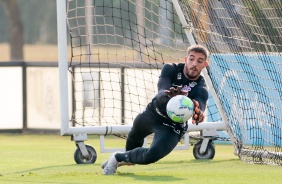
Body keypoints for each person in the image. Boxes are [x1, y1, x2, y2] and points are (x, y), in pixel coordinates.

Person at [102, 44, 210, 175]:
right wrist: (168, 96)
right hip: (153, 113)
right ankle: (122, 158)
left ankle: (116, 157)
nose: (194, 64)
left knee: (150, 156)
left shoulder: (202, 87)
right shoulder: (170, 69)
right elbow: (160, 93)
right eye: (192, 59)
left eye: (200, 61)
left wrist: (198, 113)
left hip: (172, 126)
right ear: (185, 59)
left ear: (205, 64)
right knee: (133, 143)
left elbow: (200, 105)